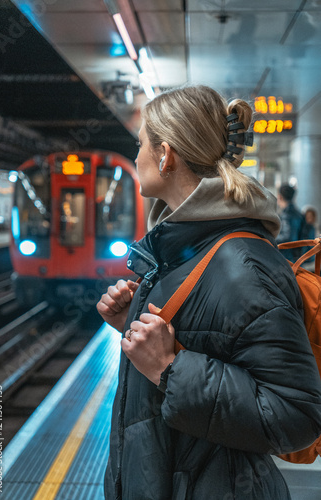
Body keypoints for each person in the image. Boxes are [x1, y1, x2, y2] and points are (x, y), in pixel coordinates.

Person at [97, 85, 321, 500]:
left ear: (165, 155)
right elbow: (210, 341)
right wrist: (131, 327)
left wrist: (169, 368)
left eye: (141, 143)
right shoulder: (186, 249)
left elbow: (297, 414)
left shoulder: (241, 264)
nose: (136, 155)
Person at [276, 184, 305, 261]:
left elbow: (288, 237)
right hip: (297, 256)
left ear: (280, 197)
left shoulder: (287, 214)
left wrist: (270, 238)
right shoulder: (298, 213)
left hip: (287, 257)